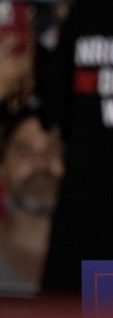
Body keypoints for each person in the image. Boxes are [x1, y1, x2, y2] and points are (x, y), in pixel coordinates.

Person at [0, 102, 63, 296]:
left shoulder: (111, 255)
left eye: (54, 149)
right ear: (2, 168)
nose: (41, 162)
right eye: (25, 151)